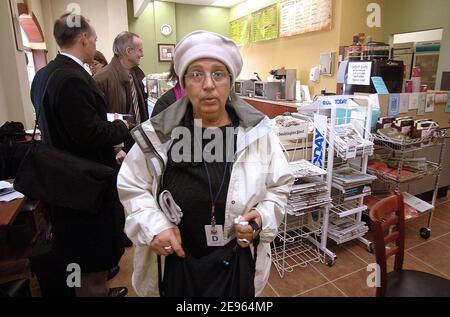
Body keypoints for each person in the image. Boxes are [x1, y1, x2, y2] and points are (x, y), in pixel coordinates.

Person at [117, 31, 294, 297]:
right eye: (197, 74)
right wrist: (154, 226)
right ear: (183, 84)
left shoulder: (258, 134)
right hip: (177, 260)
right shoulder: (158, 136)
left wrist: (262, 218)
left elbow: (279, 187)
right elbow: (133, 187)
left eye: (219, 74)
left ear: (231, 81)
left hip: (236, 259)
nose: (209, 84)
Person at [30, 13, 130, 297]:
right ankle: (92, 291)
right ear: (83, 38)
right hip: (83, 182)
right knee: (88, 246)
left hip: (62, 177)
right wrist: (120, 128)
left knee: (75, 243)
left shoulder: (44, 74)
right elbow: (88, 133)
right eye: (95, 38)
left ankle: (93, 288)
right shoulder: (72, 78)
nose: (95, 43)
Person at [94, 31, 149, 165]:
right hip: (120, 147)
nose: (142, 54)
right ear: (128, 51)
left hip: (137, 139)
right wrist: (117, 148)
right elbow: (100, 119)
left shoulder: (136, 73)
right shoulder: (102, 79)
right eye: (140, 50)